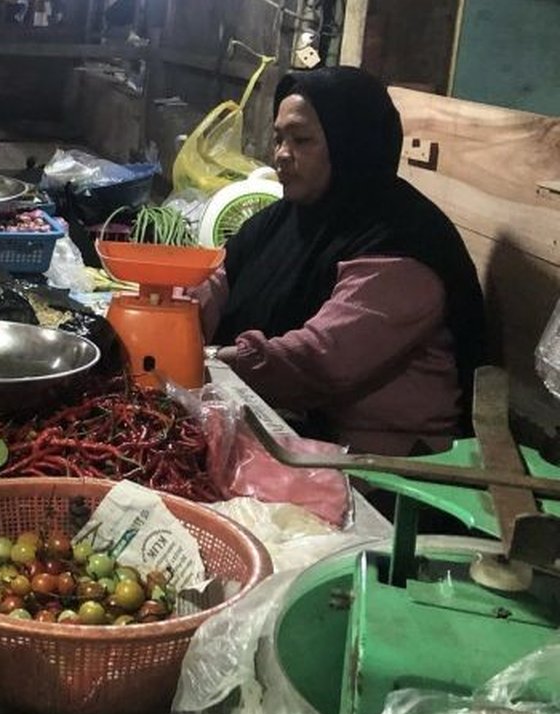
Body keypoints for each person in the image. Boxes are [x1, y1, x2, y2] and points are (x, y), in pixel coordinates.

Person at [194, 66, 487, 456]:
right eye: (278, 138)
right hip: (291, 427)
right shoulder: (285, 219)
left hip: (383, 467)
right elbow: (218, 284)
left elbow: (316, 363)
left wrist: (203, 360)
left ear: (352, 144)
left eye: (301, 140)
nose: (282, 154)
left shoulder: (401, 245)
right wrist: (176, 320)